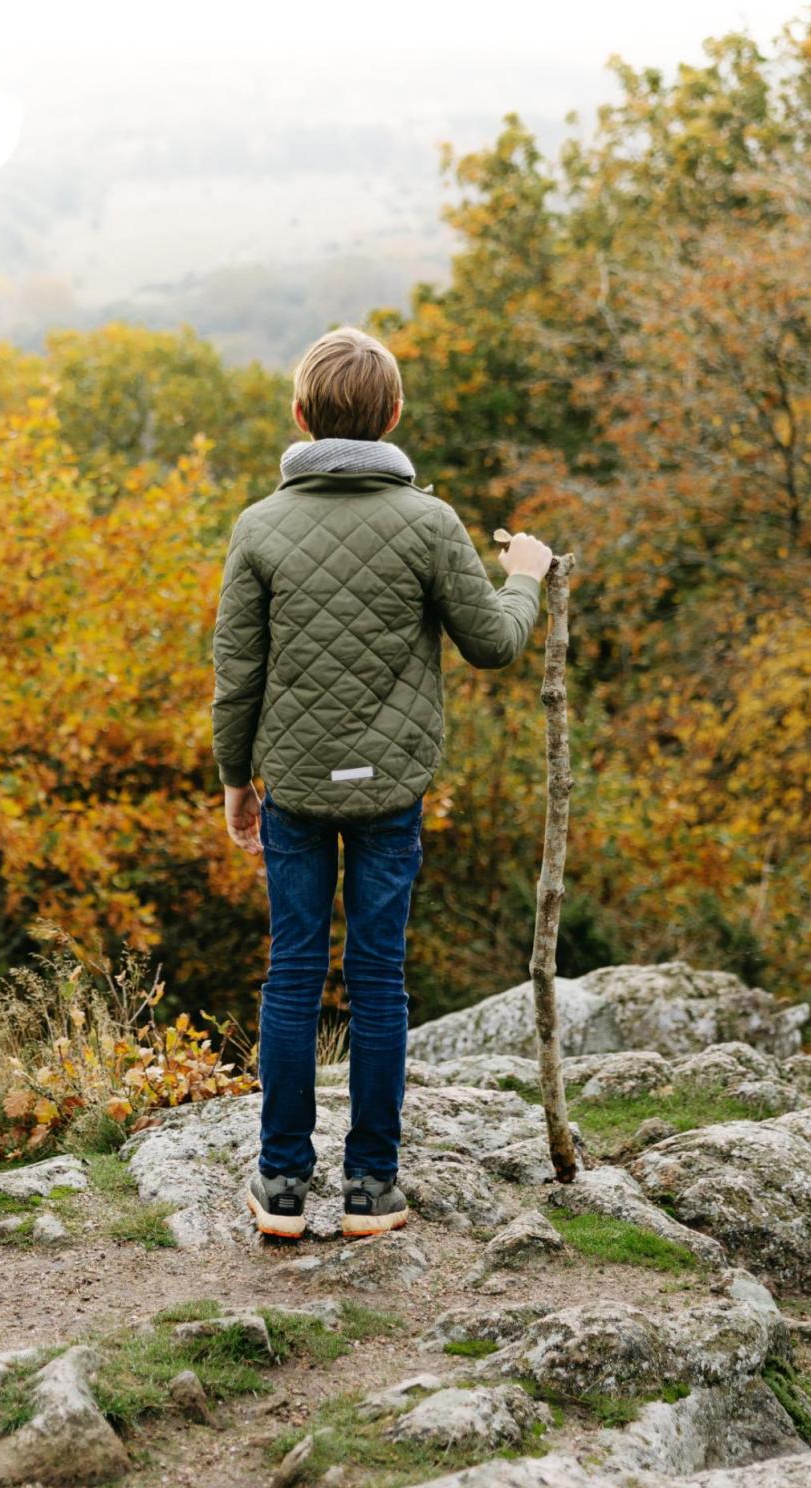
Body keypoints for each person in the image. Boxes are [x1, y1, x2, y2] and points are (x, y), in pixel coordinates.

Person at [210, 327, 552, 1240]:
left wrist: (236, 782)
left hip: (296, 789)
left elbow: (237, 676)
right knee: (378, 982)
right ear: (394, 415)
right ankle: (373, 1189)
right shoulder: (430, 524)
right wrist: (527, 575)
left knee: (292, 976)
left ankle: (280, 1186)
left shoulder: (259, 527)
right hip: (391, 790)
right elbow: (495, 644)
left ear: (300, 417)